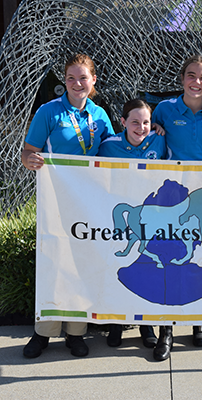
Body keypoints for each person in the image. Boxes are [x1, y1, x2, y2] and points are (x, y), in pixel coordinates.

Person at [21, 53, 115, 358]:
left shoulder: (100, 115)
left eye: (83, 77)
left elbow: (114, 150)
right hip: (56, 199)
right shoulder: (48, 112)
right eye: (71, 78)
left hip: (89, 201)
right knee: (54, 262)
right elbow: (28, 151)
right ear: (65, 80)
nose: (77, 83)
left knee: (82, 263)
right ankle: (43, 333)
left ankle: (76, 332)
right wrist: (30, 159)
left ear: (93, 80)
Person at [151, 54, 202, 361]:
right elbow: (151, 141)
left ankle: (199, 322)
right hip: (173, 193)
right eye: (191, 75)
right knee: (170, 255)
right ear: (182, 79)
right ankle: (166, 330)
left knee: (200, 254)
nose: (197, 82)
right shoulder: (165, 109)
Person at [98, 98, 167, 349]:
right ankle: (117, 322)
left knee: (146, 265)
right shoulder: (108, 146)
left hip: (150, 217)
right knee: (120, 264)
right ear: (123, 122)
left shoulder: (159, 140)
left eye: (146, 122)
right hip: (120, 216)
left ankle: (146, 324)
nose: (141, 127)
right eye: (135, 122)